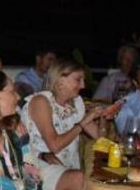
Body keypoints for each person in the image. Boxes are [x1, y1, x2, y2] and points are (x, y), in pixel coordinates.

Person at [20, 59, 103, 190]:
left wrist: (104, 116)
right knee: (78, 178)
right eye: (78, 79)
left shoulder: (76, 102)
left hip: (67, 167)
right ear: (60, 81)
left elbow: (101, 138)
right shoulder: (41, 101)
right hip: (37, 165)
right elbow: (55, 145)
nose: (83, 86)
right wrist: (82, 124)